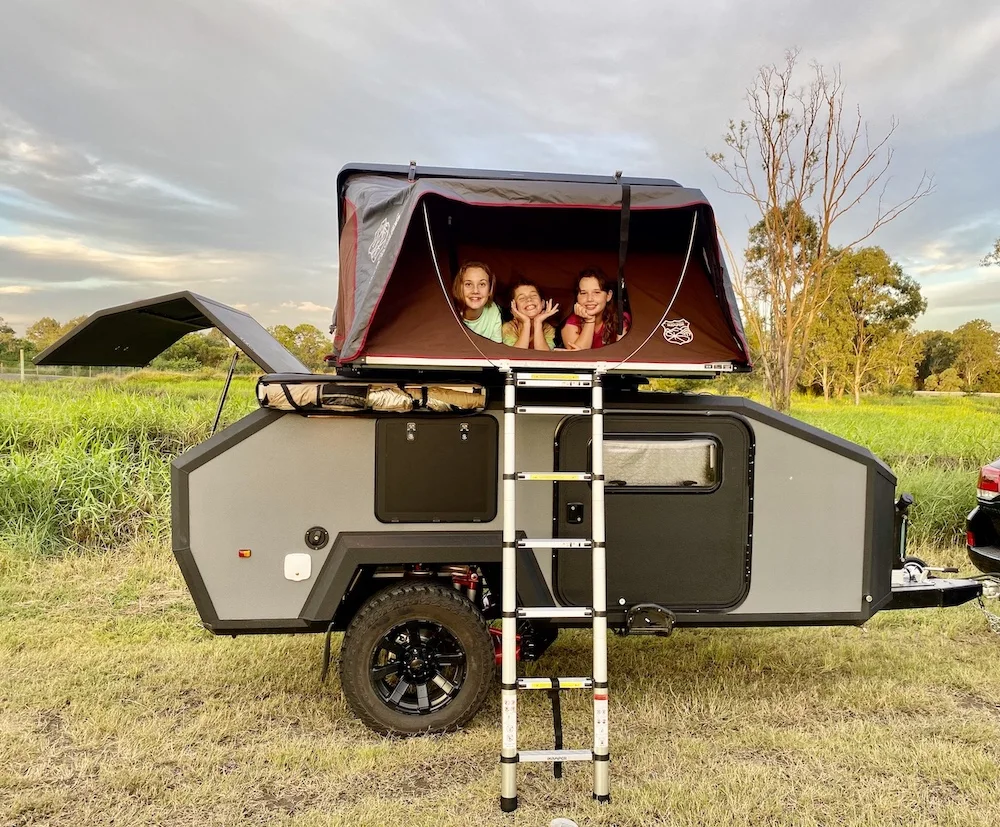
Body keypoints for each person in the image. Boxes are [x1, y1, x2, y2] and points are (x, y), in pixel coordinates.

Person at [561, 267, 631, 350]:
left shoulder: (621, 319)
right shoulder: (571, 322)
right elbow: (579, 358)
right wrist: (590, 320)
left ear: (608, 295)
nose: (590, 299)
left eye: (597, 292)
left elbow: (621, 353)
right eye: (583, 293)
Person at [502, 279, 559, 350]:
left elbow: (544, 356)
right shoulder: (509, 328)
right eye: (522, 298)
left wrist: (538, 323)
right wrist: (526, 323)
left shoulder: (548, 328)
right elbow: (517, 356)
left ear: (542, 303)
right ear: (513, 308)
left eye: (533, 295)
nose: (529, 299)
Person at [453, 261, 502, 343]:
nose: (475, 291)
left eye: (482, 284)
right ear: (459, 288)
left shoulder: (493, 310)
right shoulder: (450, 312)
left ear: (489, 290)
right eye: (468, 284)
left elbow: (497, 350)